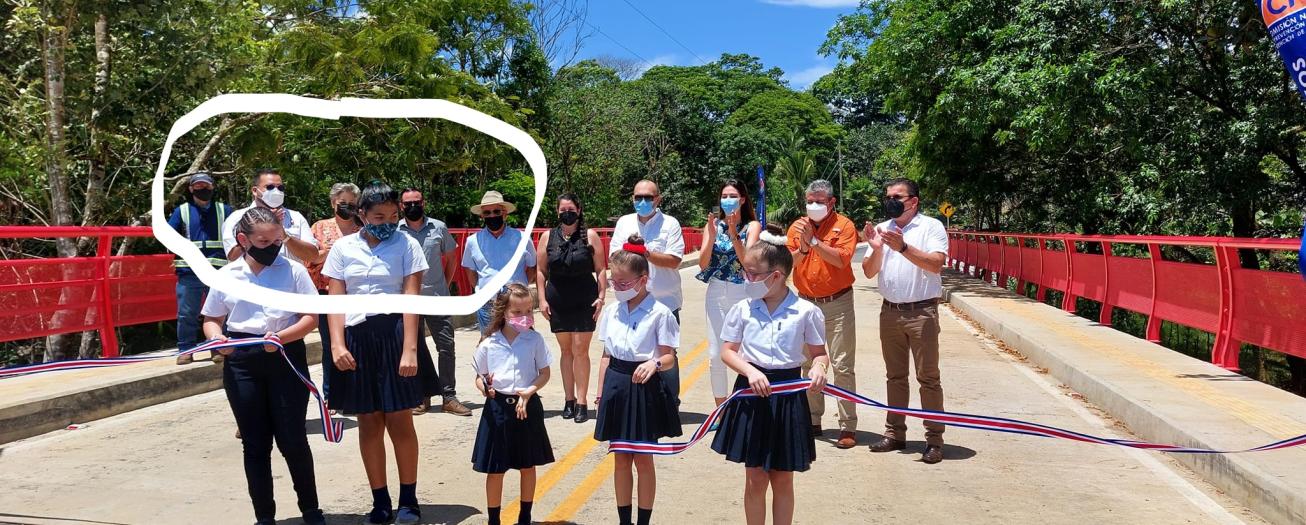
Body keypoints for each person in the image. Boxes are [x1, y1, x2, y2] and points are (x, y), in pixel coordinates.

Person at [200, 207, 324, 525]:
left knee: (293, 438)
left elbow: (311, 315)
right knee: (255, 443)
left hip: (285, 355)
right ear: (244, 240)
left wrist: (283, 336)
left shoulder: (293, 271)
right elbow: (212, 318)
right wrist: (218, 340)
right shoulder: (228, 275)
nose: (272, 247)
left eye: (277, 240)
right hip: (242, 360)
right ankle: (264, 517)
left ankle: (311, 510)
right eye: (264, 241)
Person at [322, 182, 429, 524]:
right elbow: (335, 300)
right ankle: (380, 501)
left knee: (400, 419)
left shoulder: (407, 245)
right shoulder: (343, 249)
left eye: (393, 215)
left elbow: (411, 297)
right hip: (357, 339)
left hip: (395, 335)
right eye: (379, 215)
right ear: (362, 214)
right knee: (369, 422)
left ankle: (409, 501)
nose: (387, 221)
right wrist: (337, 344)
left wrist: (410, 349)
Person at [713, 223, 830, 525]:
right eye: (745, 272)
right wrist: (749, 371)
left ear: (776, 276)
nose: (746, 279)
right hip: (752, 394)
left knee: (782, 478)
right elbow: (727, 351)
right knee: (754, 477)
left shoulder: (806, 312)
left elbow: (819, 354)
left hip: (788, 395)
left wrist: (818, 369)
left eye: (752, 274)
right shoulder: (742, 309)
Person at [861, 178, 950, 464]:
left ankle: (934, 440)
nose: (891, 201)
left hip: (921, 312)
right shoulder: (882, 229)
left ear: (913, 201)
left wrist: (902, 247)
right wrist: (876, 248)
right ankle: (895, 433)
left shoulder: (931, 227)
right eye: (888, 196)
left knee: (928, 378)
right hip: (890, 312)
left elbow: (936, 263)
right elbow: (868, 272)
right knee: (895, 377)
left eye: (897, 196)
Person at [594, 235, 681, 525]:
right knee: (620, 458)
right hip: (616, 385)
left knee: (643, 459)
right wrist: (599, 393)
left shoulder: (660, 313)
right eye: (613, 283)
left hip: (645, 387)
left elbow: (669, 357)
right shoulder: (612, 311)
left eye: (623, 283)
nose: (617, 289)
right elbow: (606, 355)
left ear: (642, 280)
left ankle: (643, 520)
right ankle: (624, 520)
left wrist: (654, 363)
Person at [471, 284, 555, 525]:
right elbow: (480, 375)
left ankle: (525, 516)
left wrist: (530, 391)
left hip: (526, 407)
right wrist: (485, 389)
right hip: (497, 408)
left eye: (529, 311)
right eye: (517, 313)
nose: (524, 318)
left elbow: (545, 372)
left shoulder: (534, 339)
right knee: (495, 468)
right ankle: (494, 519)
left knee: (527, 464)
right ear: (503, 312)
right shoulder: (489, 343)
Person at [786, 179, 860, 449]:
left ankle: (847, 426)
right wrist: (803, 247)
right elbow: (786, 264)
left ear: (831, 202)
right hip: (805, 303)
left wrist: (814, 241)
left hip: (838, 303)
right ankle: (811, 420)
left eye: (819, 201)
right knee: (806, 364)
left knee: (842, 366)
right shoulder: (796, 226)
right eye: (809, 201)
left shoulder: (845, 226)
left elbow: (841, 259)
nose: (813, 206)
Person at [607, 180, 685, 402]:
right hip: (630, 301)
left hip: (665, 301)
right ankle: (638, 399)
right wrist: (631, 252)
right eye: (638, 197)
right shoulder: (624, 223)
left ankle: (670, 401)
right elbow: (614, 257)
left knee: (666, 355)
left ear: (658, 199)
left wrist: (646, 253)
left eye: (648, 198)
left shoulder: (670, 224)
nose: (642, 202)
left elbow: (674, 260)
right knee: (631, 352)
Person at [536, 193, 607, 423]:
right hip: (558, 299)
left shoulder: (591, 236)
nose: (567, 213)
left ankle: (582, 402)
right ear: (557, 212)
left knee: (580, 350)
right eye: (562, 209)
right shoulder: (548, 237)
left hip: (584, 298)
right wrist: (541, 299)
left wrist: (602, 295)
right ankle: (568, 400)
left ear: (578, 210)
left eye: (571, 209)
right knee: (566, 350)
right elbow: (540, 271)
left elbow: (601, 269)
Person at [399, 188, 472, 417]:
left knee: (446, 346)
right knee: (415, 347)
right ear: (401, 206)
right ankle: (421, 396)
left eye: (417, 201)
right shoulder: (396, 231)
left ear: (424, 202)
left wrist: (444, 284)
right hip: (409, 301)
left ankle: (448, 396)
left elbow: (451, 258)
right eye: (408, 203)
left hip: (438, 298)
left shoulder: (438, 227)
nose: (413, 206)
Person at [696, 180, 761, 407]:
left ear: (743, 199)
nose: (727, 200)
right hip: (716, 291)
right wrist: (713, 235)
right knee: (716, 355)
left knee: (745, 353)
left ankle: (746, 403)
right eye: (724, 196)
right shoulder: (713, 225)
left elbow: (748, 263)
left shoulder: (752, 226)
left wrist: (734, 234)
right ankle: (721, 410)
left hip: (742, 292)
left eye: (732, 195)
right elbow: (703, 265)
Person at [168, 172, 234, 365]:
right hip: (190, 271)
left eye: (206, 186)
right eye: (198, 187)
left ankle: (218, 348)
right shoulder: (182, 211)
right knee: (187, 312)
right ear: (190, 189)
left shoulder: (225, 210)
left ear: (212, 187)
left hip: (219, 271)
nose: (202, 190)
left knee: (220, 311)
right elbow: (169, 236)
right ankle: (186, 350)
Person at [308, 182, 360, 404]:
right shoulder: (319, 227)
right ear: (332, 203)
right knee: (332, 344)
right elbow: (307, 261)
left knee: (356, 343)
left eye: (352, 204)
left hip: (356, 295)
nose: (347, 207)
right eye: (342, 203)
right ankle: (331, 395)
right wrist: (324, 253)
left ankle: (356, 391)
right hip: (326, 294)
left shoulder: (363, 228)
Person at [462, 190, 537, 332]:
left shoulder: (522, 238)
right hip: (487, 304)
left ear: (505, 214)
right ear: (482, 216)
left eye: (496, 211)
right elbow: (470, 271)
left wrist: (519, 287)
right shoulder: (472, 241)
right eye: (487, 213)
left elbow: (532, 267)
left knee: (522, 343)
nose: (492, 216)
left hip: (517, 303)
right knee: (491, 346)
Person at [223, 168, 318, 265]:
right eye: (270, 187)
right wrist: (259, 230)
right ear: (255, 191)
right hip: (250, 279)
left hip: (288, 278)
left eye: (280, 188)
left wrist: (284, 236)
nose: (276, 191)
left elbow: (312, 256)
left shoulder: (296, 217)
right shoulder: (236, 218)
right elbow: (232, 258)